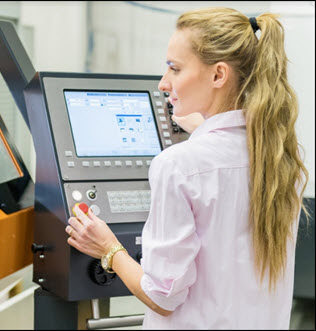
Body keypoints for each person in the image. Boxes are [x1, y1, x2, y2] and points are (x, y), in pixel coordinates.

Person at [65, 7, 309, 329]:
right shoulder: (281, 159)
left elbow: (163, 297)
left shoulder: (177, 165)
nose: (164, 83)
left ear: (218, 75)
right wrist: (206, 127)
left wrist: (109, 249)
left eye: (175, 69)